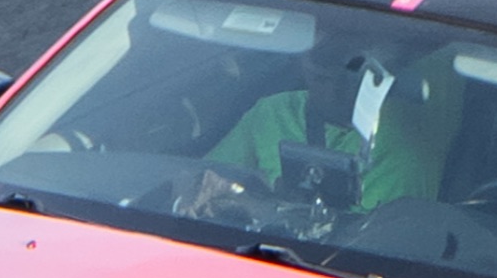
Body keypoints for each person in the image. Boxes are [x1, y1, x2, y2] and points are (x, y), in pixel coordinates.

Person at [179, 44, 460, 220]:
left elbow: (369, 244)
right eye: (321, 78)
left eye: (349, 80)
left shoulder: (408, 143)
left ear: (376, 78)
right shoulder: (273, 112)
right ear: (302, 69)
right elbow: (201, 177)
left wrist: (267, 208)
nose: (335, 92)